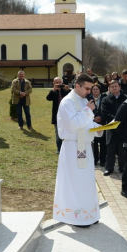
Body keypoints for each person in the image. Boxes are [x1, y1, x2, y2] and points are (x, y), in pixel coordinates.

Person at [53, 73, 103, 227]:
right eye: (87, 88)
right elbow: (74, 124)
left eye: (91, 88)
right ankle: (76, 217)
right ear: (77, 86)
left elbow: (86, 124)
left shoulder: (83, 101)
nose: (89, 91)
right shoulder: (67, 102)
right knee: (75, 182)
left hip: (85, 147)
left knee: (87, 181)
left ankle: (89, 214)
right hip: (72, 147)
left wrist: (99, 128)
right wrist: (88, 111)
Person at [101, 80, 127, 176]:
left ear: (120, 87)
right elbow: (104, 112)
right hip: (111, 127)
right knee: (110, 149)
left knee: (122, 149)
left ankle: (122, 167)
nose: (114, 88)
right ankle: (109, 168)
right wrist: (115, 119)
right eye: (112, 87)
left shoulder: (126, 98)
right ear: (109, 88)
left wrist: (120, 120)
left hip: (123, 127)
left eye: (116, 86)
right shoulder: (105, 99)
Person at [46, 77, 70, 153]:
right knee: (58, 132)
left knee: (66, 131)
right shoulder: (53, 92)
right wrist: (54, 90)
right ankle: (59, 148)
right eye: (57, 82)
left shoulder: (65, 91)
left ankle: (66, 147)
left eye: (60, 82)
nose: (59, 84)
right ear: (54, 83)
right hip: (57, 115)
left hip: (66, 115)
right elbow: (48, 98)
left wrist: (68, 89)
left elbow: (72, 97)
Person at [91, 84, 107, 166]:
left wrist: (101, 117)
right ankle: (95, 159)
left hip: (102, 122)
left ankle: (103, 160)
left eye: (97, 89)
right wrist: (93, 118)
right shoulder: (89, 99)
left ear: (100, 90)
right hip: (93, 123)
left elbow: (106, 110)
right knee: (94, 142)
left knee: (103, 142)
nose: (95, 90)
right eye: (93, 89)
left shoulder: (104, 98)